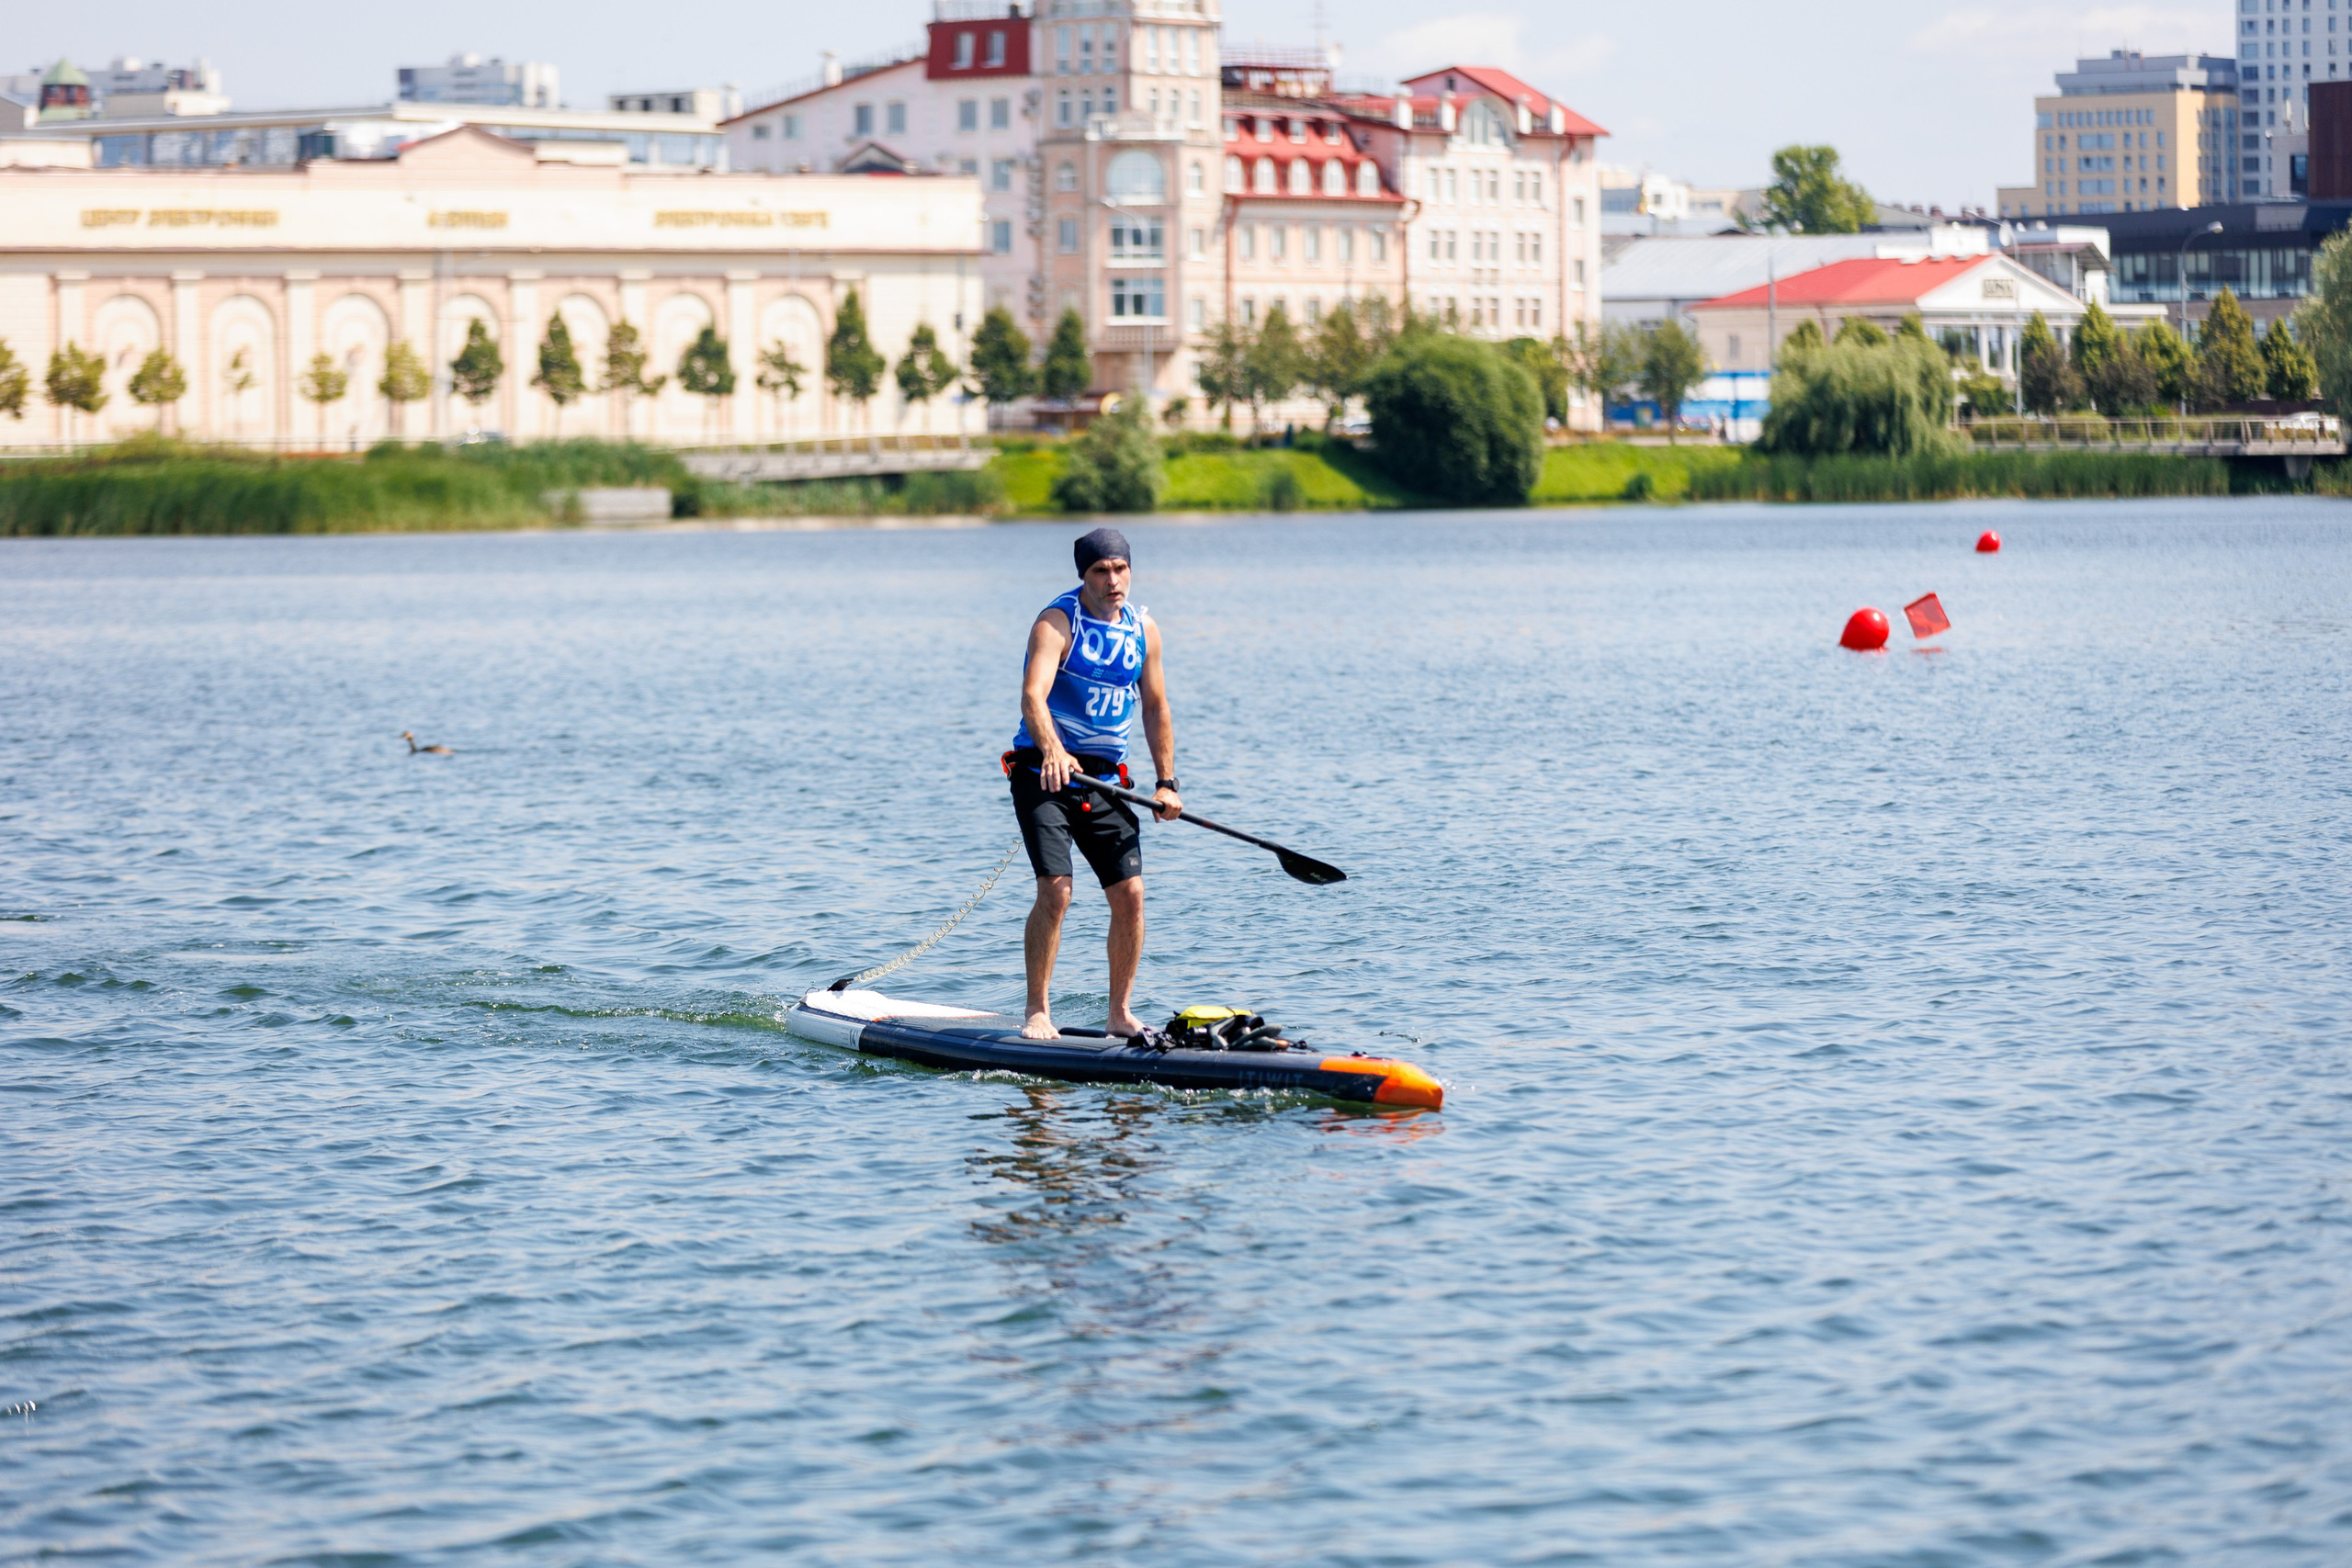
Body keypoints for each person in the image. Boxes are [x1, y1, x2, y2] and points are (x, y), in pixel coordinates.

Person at [1007, 527, 1181, 1041]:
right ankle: (1038, 1010)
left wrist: (1166, 782)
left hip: (1107, 781)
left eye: (1121, 569)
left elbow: (1155, 707)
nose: (1113, 580)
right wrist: (1054, 750)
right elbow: (1032, 697)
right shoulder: (1056, 623)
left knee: (1131, 894)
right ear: (1083, 574)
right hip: (1045, 772)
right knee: (1057, 892)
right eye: (1101, 571)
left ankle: (1119, 1013)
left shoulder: (1143, 629)